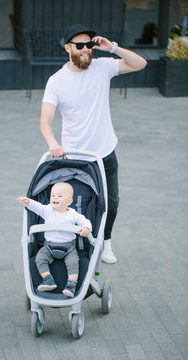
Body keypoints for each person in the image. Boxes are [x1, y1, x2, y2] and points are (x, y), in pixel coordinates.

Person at [39, 24, 147, 264]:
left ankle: (106, 242)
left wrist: (114, 48)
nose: (86, 50)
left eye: (89, 45)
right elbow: (45, 121)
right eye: (80, 46)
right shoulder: (57, 81)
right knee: (77, 205)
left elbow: (141, 64)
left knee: (112, 202)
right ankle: (77, 245)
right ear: (68, 48)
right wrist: (53, 143)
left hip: (106, 153)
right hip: (76, 157)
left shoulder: (102, 67)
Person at [17, 182, 92, 298]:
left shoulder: (73, 214)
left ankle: (71, 285)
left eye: (60, 196)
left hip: (69, 248)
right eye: (53, 195)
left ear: (69, 201)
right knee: (40, 259)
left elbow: (85, 221)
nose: (55, 198)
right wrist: (28, 202)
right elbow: (37, 207)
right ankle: (48, 279)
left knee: (73, 263)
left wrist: (86, 227)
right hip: (49, 246)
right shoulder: (47, 210)